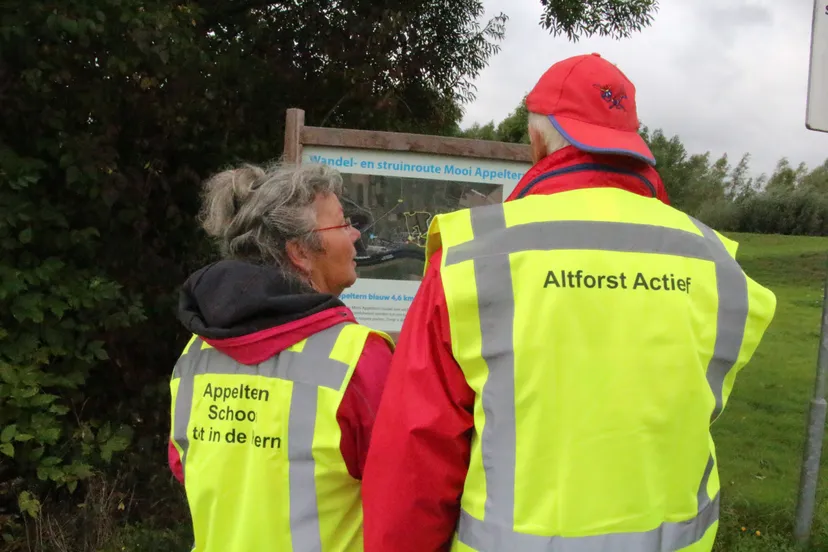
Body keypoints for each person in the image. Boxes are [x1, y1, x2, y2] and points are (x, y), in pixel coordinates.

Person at [361, 53, 777, 552]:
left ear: (538, 138)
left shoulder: (475, 255)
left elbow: (415, 454)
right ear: (631, 142)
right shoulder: (717, 261)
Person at [167, 161, 394, 551]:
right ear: (301, 252)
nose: (356, 234)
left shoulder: (196, 354)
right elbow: (403, 493)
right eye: (341, 224)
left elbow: (184, 465)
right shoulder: (358, 358)